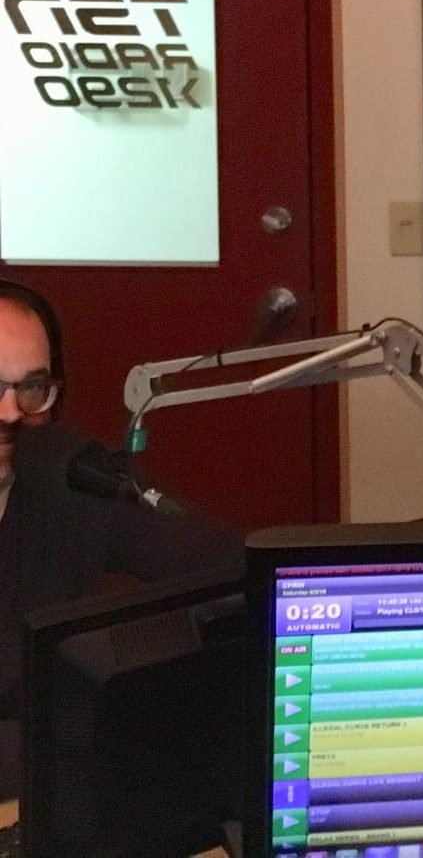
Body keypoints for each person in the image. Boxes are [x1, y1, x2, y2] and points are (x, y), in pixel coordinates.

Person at [0, 280, 244, 796]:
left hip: (45, 792)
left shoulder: (64, 472)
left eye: (32, 388)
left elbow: (227, 568)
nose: (11, 412)